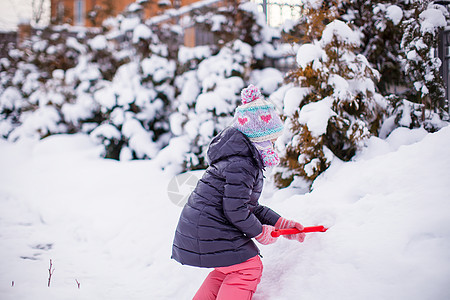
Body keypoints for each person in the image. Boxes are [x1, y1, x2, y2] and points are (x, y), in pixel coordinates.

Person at [171, 84, 305, 300]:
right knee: (248, 267)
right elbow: (235, 208)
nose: (275, 145)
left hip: (203, 226)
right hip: (210, 226)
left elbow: (247, 206)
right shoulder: (243, 164)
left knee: (229, 267)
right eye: (272, 139)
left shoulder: (240, 159)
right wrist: (260, 232)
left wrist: (280, 223)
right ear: (259, 138)